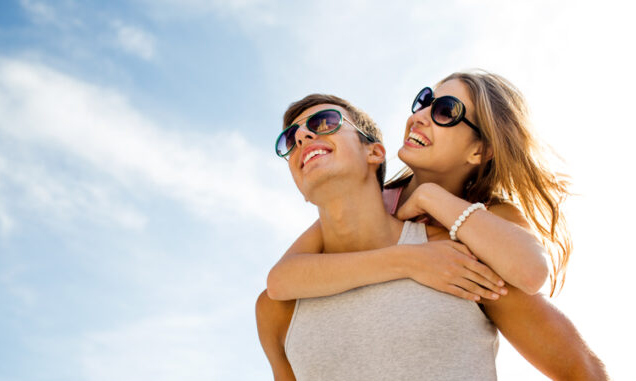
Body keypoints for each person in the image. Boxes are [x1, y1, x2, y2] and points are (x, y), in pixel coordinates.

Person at [257, 74, 608, 380]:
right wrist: (412, 260)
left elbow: (531, 272)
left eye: (445, 111)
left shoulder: (477, 240)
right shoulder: (381, 203)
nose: (420, 115)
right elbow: (279, 280)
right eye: (424, 101)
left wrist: (429, 197)